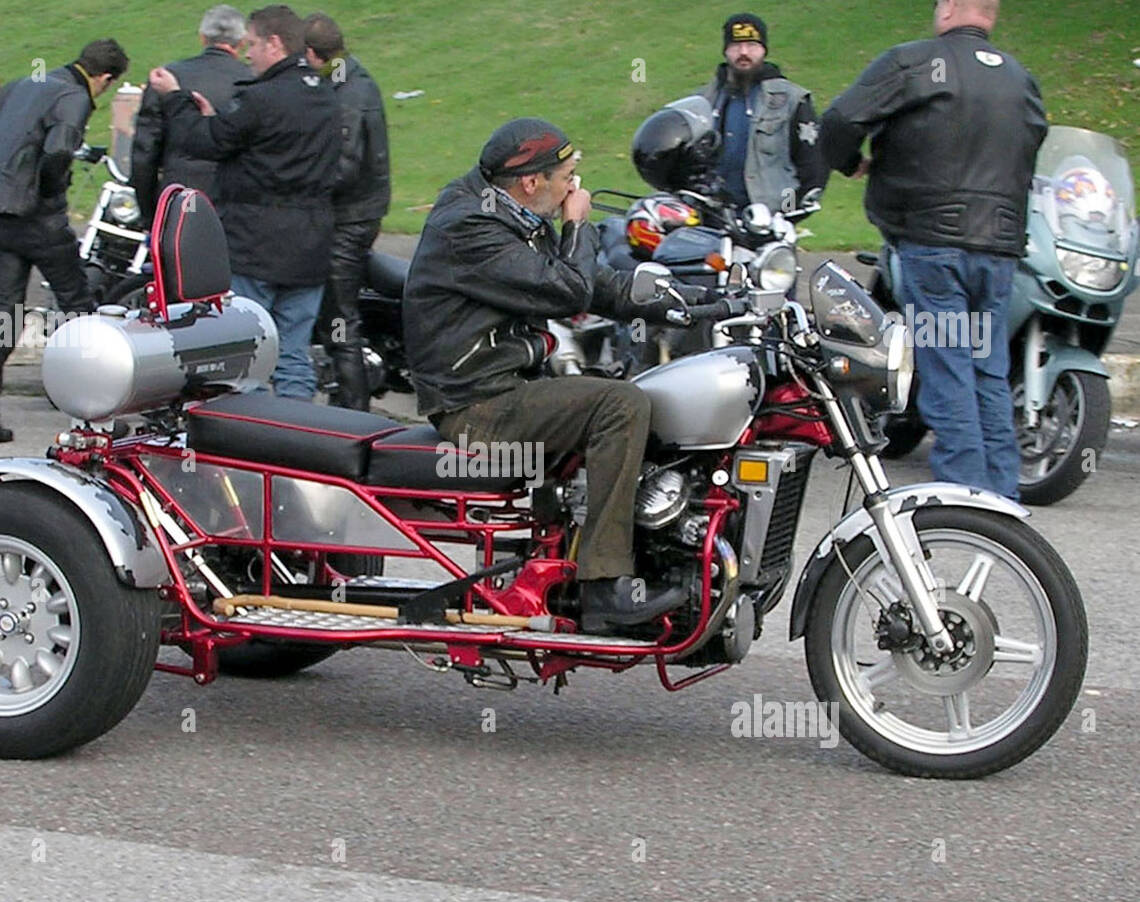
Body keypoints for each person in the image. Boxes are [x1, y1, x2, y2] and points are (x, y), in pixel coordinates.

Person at [404, 118, 710, 633]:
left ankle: (585, 559)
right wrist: (578, 224)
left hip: (510, 388)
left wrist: (700, 304)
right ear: (531, 181)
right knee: (621, 404)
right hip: (476, 407)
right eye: (568, 176)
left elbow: (596, 285)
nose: (575, 187)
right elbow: (568, 290)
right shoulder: (471, 226)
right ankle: (603, 587)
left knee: (624, 387)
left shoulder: (509, 210)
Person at [820, 0, 1046, 498]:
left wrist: (852, 164)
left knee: (946, 368)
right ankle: (1000, 495)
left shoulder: (913, 62)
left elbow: (837, 122)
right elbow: (1033, 144)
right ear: (991, 14)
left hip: (933, 246)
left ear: (947, 9)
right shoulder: (1019, 79)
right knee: (987, 368)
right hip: (998, 249)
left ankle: (965, 501)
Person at [149, 4, 340, 401]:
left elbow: (204, 142)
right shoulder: (326, 95)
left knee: (247, 353)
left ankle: (249, 442)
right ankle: (297, 436)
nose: (248, 53)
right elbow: (266, 142)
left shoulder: (261, 98)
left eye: (252, 44)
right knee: (293, 353)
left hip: (257, 243)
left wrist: (175, 99)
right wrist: (222, 120)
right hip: (310, 245)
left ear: (274, 43)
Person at [0, 39, 130, 445]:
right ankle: (95, 413)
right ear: (104, 78)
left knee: (5, 315)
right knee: (79, 312)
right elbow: (58, 150)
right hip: (42, 223)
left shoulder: (20, 85)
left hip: (2, 219)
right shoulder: (73, 95)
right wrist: (46, 191)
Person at [304, 12, 390, 411]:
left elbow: (346, 165)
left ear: (311, 54)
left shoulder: (348, 94)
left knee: (341, 318)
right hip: (359, 213)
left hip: (349, 219)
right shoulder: (352, 80)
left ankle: (353, 411)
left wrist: (299, 185)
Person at [694, 12, 826, 213]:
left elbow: (813, 163)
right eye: (736, 46)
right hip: (712, 214)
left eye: (752, 45)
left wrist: (787, 214)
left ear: (764, 50)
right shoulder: (703, 99)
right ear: (725, 51)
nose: (744, 52)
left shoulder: (792, 99)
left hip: (770, 219)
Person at [129, 5, 248, 216]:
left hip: (179, 197)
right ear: (241, 42)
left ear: (202, 38)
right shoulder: (254, 82)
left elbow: (144, 152)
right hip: (235, 202)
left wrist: (149, 213)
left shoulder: (166, 77)